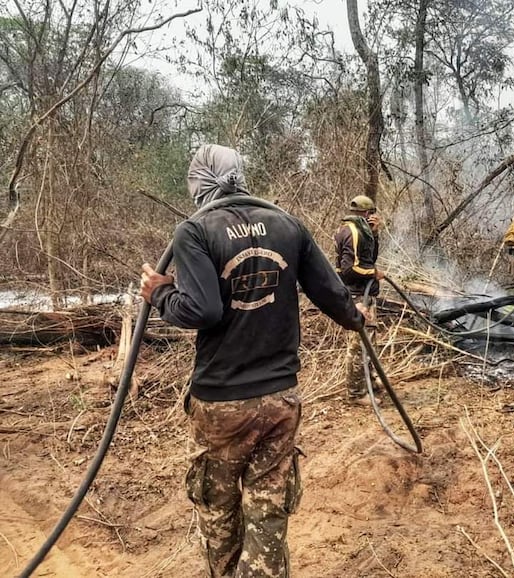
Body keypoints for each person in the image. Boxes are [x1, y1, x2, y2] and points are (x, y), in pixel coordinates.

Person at [139, 144, 366, 578]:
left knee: (220, 513)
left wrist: (160, 293)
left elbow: (201, 311)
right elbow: (331, 293)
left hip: (222, 403)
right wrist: (356, 319)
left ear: (201, 180)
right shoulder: (287, 225)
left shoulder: (195, 230)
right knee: (268, 513)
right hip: (280, 399)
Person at [333, 194, 385, 406]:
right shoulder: (353, 232)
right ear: (366, 213)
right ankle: (355, 393)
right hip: (357, 295)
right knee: (358, 345)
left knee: (369, 342)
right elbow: (349, 268)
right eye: (371, 214)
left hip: (365, 292)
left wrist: (374, 234)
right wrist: (373, 273)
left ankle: (369, 382)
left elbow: (368, 257)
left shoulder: (360, 230)